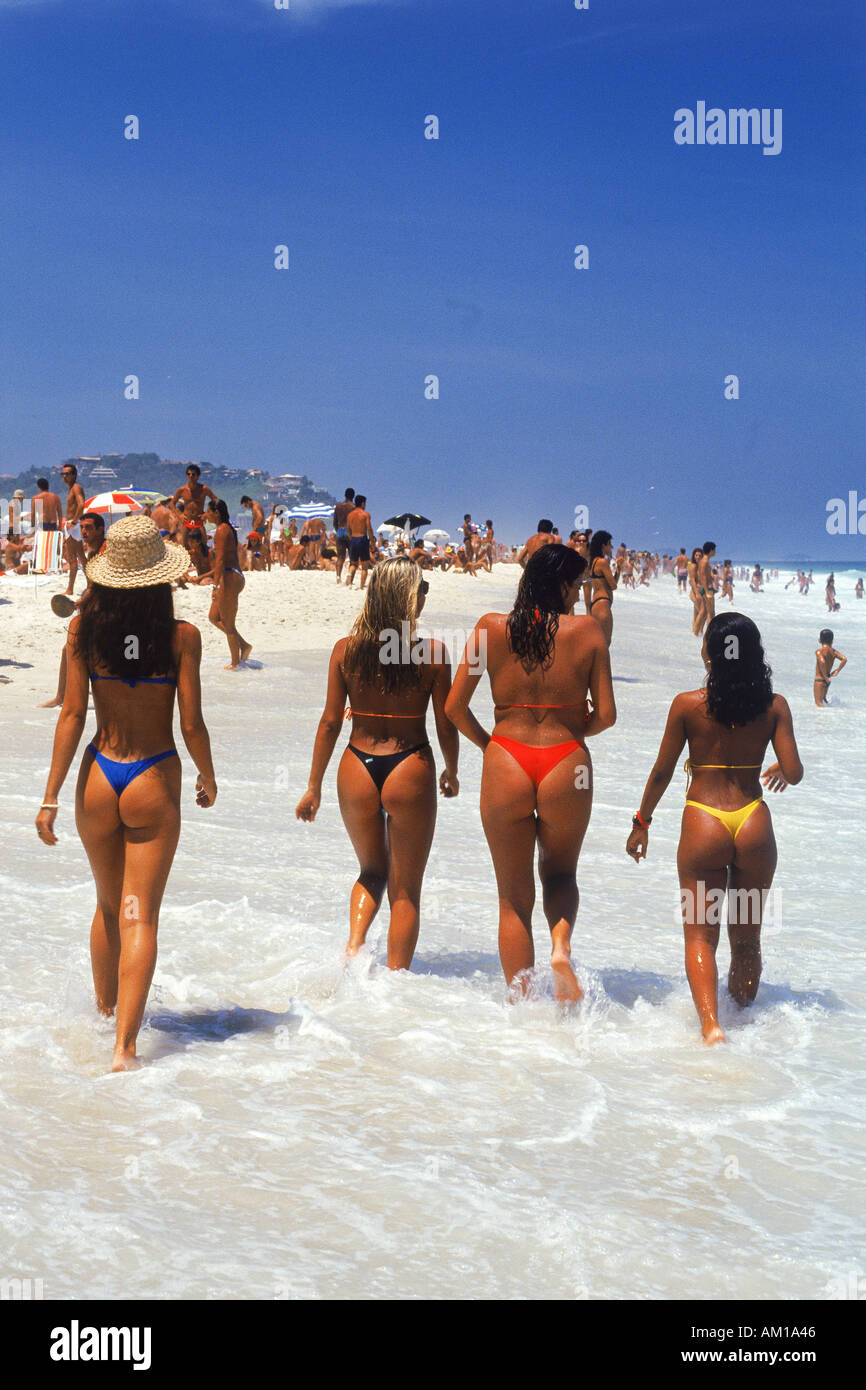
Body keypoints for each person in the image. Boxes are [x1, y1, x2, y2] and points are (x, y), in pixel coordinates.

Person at [35, 516, 218, 1071]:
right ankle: (124, 1048)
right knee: (140, 915)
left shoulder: (83, 632)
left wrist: (49, 798)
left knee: (109, 906)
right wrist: (209, 776)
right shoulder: (182, 637)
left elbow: (70, 714)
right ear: (161, 578)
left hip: (98, 777)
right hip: (152, 777)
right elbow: (191, 724)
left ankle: (103, 1017)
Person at [445, 545, 616, 1002]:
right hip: (567, 763)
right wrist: (572, 726)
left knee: (512, 899)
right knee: (560, 875)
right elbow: (607, 715)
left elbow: (454, 707)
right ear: (561, 585)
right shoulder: (589, 632)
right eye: (577, 587)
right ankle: (560, 948)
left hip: (506, 760)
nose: (579, 597)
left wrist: (491, 746)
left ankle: (523, 1006)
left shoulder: (489, 628)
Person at [626, 612, 803, 1045]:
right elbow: (795, 772)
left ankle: (712, 1029)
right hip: (753, 823)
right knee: (747, 937)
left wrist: (641, 821)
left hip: (704, 820)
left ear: (709, 651)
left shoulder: (687, 705)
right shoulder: (774, 706)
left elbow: (662, 772)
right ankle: (744, 1020)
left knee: (701, 937)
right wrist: (778, 767)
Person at [296, 557, 459, 967]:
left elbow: (330, 722)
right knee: (405, 890)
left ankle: (352, 951)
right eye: (422, 589)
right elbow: (446, 724)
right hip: (409, 766)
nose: (424, 597)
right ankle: (393, 988)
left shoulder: (345, 651)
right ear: (408, 598)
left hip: (356, 767)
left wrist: (313, 786)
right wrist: (452, 770)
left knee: (371, 871)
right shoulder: (434, 655)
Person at [40, 513, 106, 707]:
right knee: (72, 648)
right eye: (83, 527)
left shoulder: (102, 552)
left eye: (89, 528)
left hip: (108, 611)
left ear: (100, 530)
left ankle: (63, 697)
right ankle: (63, 696)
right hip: (100, 608)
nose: (84, 532)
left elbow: (97, 588)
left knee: (73, 647)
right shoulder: (94, 551)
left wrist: (79, 603)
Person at [207, 499, 252, 669]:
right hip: (232, 576)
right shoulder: (226, 529)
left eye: (208, 511)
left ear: (216, 512)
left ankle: (235, 663)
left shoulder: (221, 530)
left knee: (228, 623)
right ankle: (244, 645)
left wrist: (215, 586)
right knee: (213, 617)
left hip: (229, 578)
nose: (207, 514)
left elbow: (219, 561)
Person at [587, 530, 618, 646]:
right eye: (610, 544)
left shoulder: (593, 561)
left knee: (596, 644)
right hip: (603, 605)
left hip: (595, 603)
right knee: (605, 644)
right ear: (603, 545)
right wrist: (619, 568)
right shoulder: (603, 562)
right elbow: (613, 585)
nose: (611, 547)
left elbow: (610, 584)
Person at [60, 463, 87, 595]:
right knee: (81, 556)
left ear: (74, 475)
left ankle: (70, 589)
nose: (64, 476)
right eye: (63, 474)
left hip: (73, 524)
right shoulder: (72, 488)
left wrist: (74, 521)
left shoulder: (76, 488)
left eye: (67, 474)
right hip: (73, 524)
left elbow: (82, 504)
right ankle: (91, 585)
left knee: (72, 558)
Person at [345, 494, 376, 589]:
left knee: (353, 563)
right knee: (364, 566)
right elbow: (369, 529)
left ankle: (349, 580)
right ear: (363, 503)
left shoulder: (350, 515)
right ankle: (362, 586)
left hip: (354, 539)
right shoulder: (365, 514)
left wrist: (351, 538)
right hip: (362, 539)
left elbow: (348, 529)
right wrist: (372, 542)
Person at [814, 628, 846, 706]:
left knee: (819, 704)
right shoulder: (833, 652)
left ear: (819, 640)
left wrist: (825, 677)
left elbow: (822, 661)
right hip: (827, 681)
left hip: (820, 680)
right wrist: (837, 670)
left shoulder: (819, 651)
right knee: (824, 702)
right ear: (832, 641)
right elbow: (844, 659)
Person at [333, 488, 356, 583]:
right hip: (349, 531)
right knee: (352, 557)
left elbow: (335, 522)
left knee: (340, 557)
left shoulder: (338, 507)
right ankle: (349, 576)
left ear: (345, 495)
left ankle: (338, 577)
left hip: (340, 530)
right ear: (353, 496)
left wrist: (338, 531)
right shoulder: (354, 507)